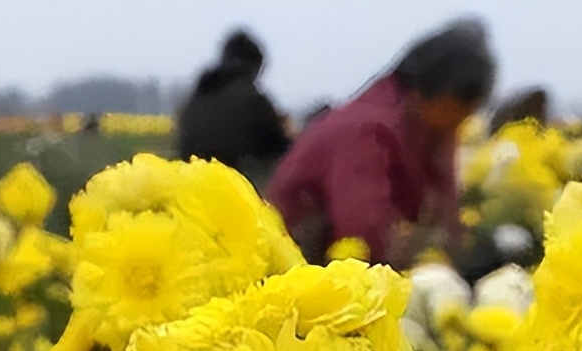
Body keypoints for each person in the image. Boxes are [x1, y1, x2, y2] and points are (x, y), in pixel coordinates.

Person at [265, 20, 495, 268]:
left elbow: (445, 217)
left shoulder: (426, 127)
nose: (464, 121)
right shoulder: (366, 129)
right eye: (464, 109)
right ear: (434, 94)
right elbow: (365, 236)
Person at [176, 29, 290, 187]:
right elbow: (282, 152)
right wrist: (286, 131)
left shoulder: (199, 95)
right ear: (253, 66)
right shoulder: (253, 101)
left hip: (189, 189)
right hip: (232, 193)